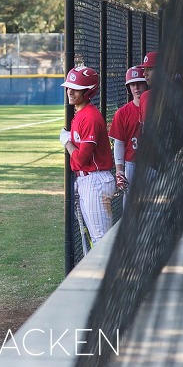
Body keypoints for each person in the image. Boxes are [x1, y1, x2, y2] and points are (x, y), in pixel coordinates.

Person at [59, 66, 116, 245]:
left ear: (88, 91)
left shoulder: (89, 117)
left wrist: (67, 143)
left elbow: (83, 159)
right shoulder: (80, 114)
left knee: (101, 241)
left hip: (95, 181)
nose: (70, 92)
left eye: (76, 89)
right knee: (97, 239)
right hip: (87, 180)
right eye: (69, 87)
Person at [108, 66, 148, 209]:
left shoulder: (158, 109)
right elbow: (119, 143)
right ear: (128, 88)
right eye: (132, 84)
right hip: (132, 164)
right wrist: (119, 170)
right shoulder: (122, 113)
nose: (136, 87)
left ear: (146, 83)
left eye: (139, 83)